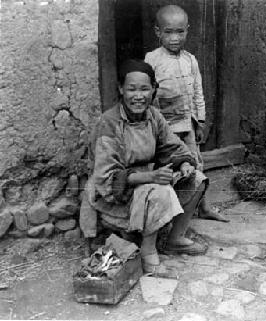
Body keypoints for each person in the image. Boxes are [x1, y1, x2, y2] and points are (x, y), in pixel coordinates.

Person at [81, 59, 208, 274]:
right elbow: (106, 178)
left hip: (146, 184)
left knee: (196, 179)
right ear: (121, 89)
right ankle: (148, 254)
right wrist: (151, 177)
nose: (138, 96)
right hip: (115, 196)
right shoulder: (109, 123)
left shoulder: (153, 116)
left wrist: (184, 163)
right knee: (160, 191)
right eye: (131, 89)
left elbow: (173, 147)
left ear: (153, 90)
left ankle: (174, 239)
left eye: (144, 89)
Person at [145, 5, 228, 223]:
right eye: (168, 32)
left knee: (196, 163)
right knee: (168, 167)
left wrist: (199, 121)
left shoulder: (190, 60)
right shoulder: (152, 60)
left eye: (180, 32)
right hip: (165, 128)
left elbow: (197, 92)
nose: (175, 38)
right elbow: (147, 96)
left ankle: (204, 206)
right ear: (158, 32)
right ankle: (170, 214)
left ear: (187, 30)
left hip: (187, 125)